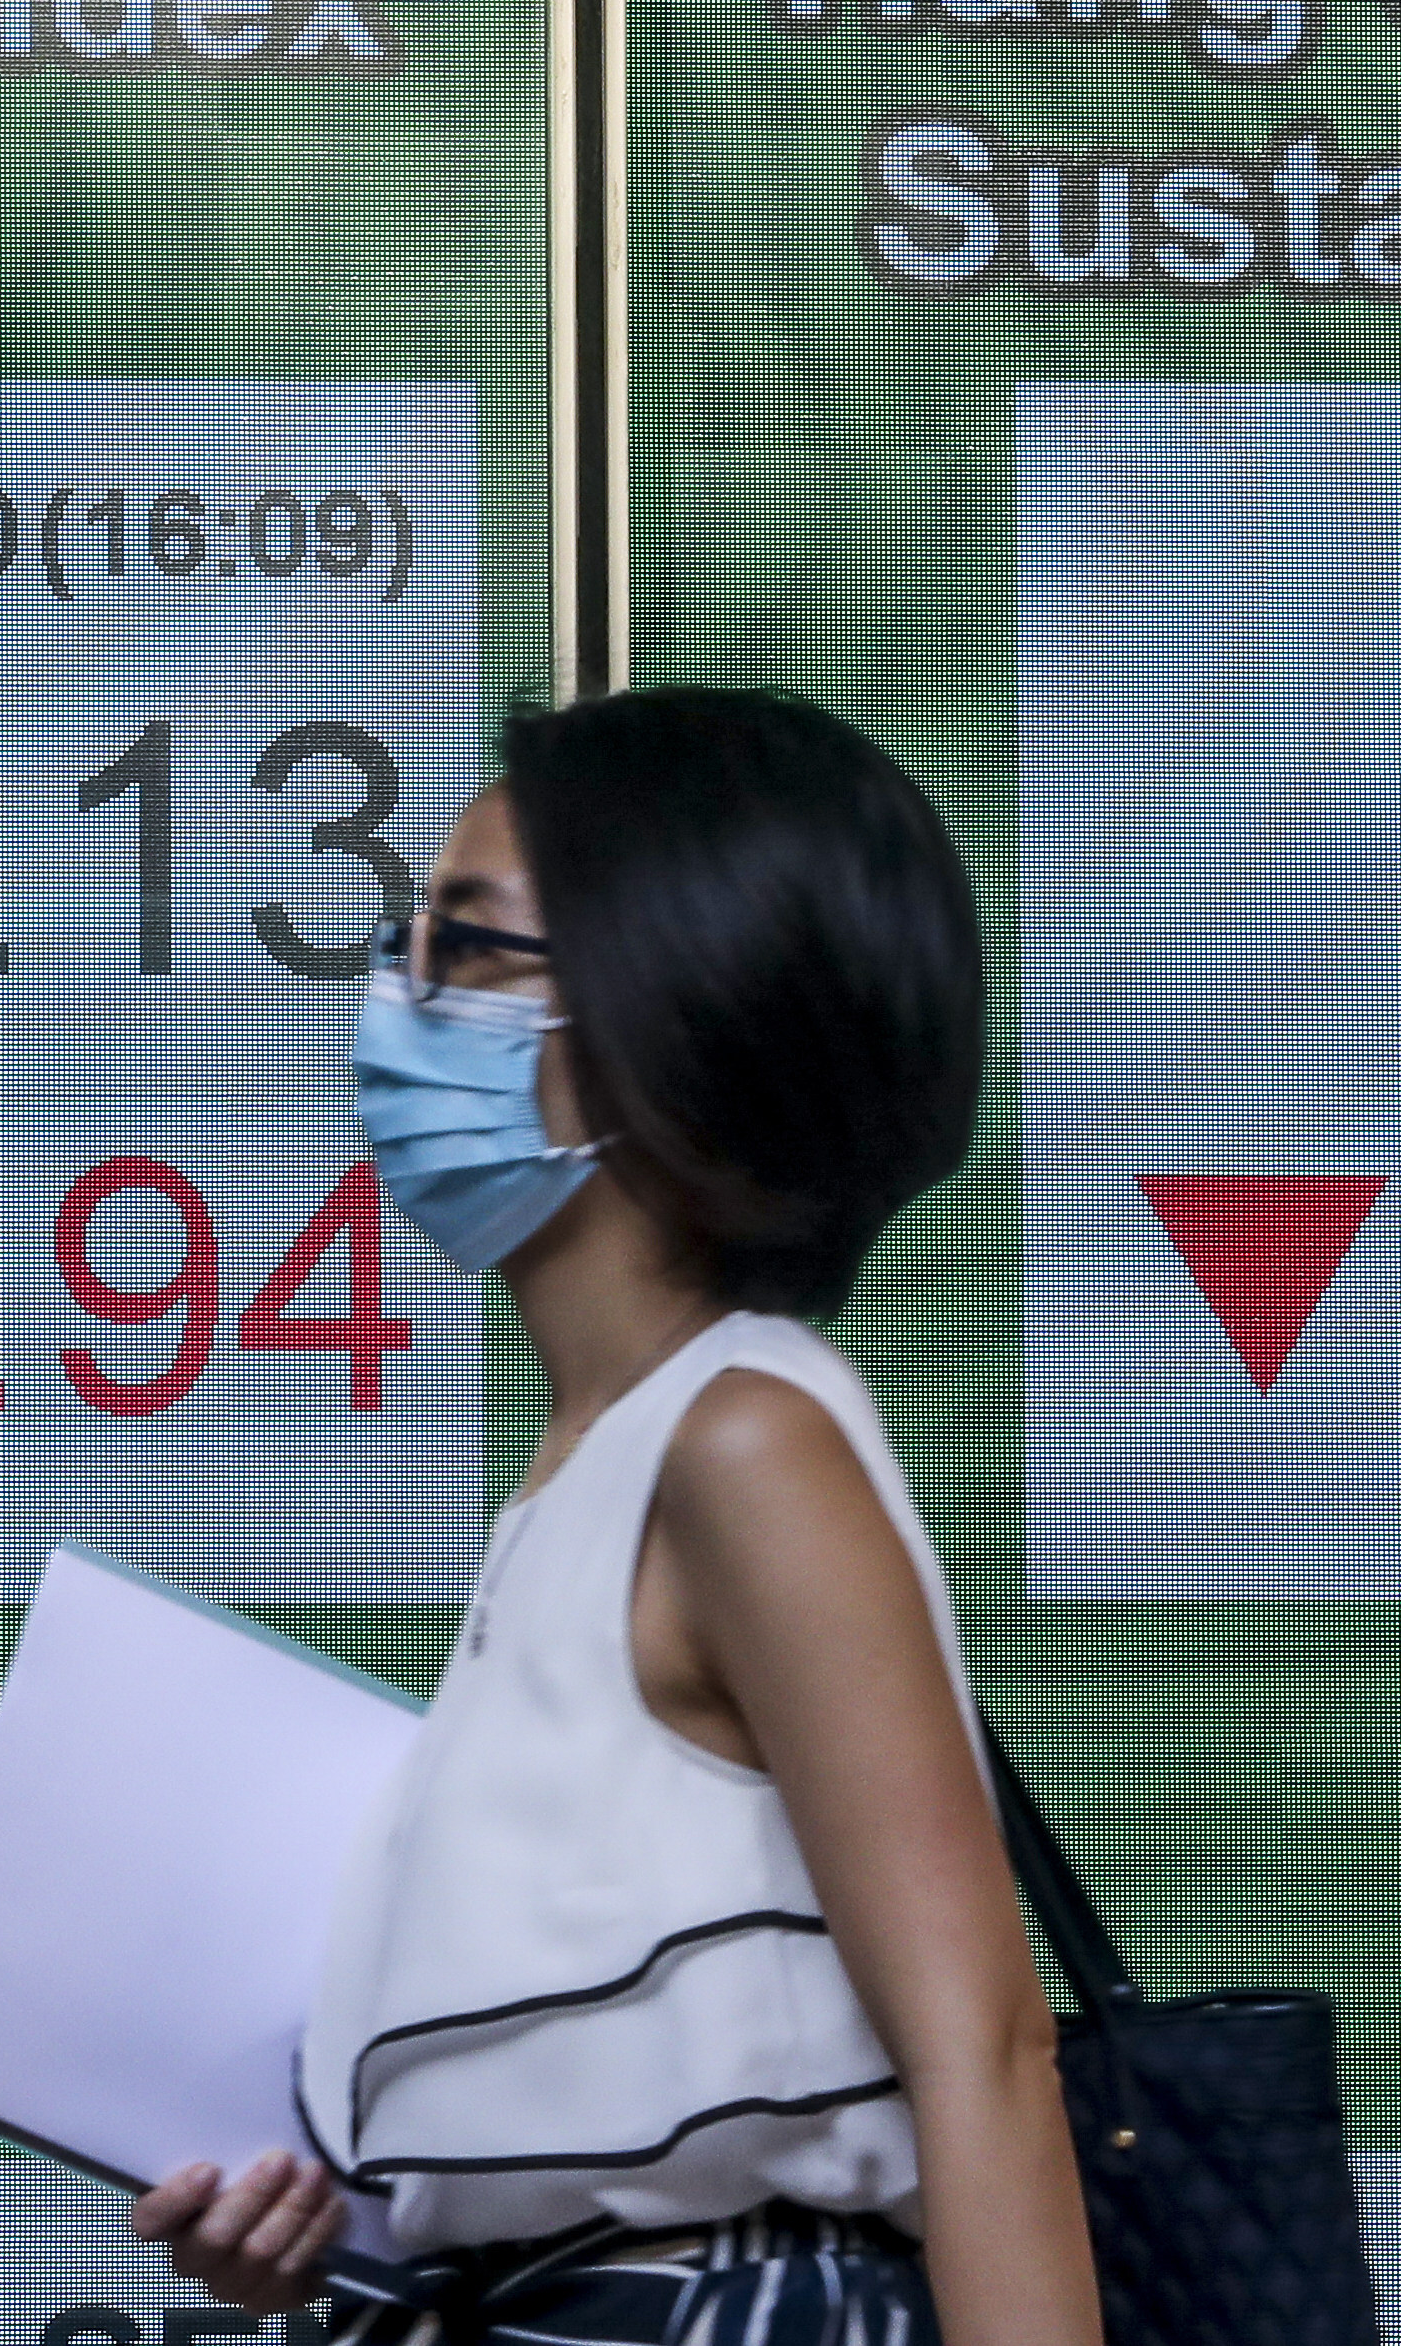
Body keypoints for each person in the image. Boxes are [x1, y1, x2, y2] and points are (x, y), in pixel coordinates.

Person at [126, 687, 1102, 2346]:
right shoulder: (603, 1458)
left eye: (467, 943)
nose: (399, 991)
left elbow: (983, 2056)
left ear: (668, 1016)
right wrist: (319, 2245)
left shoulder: (743, 1439)